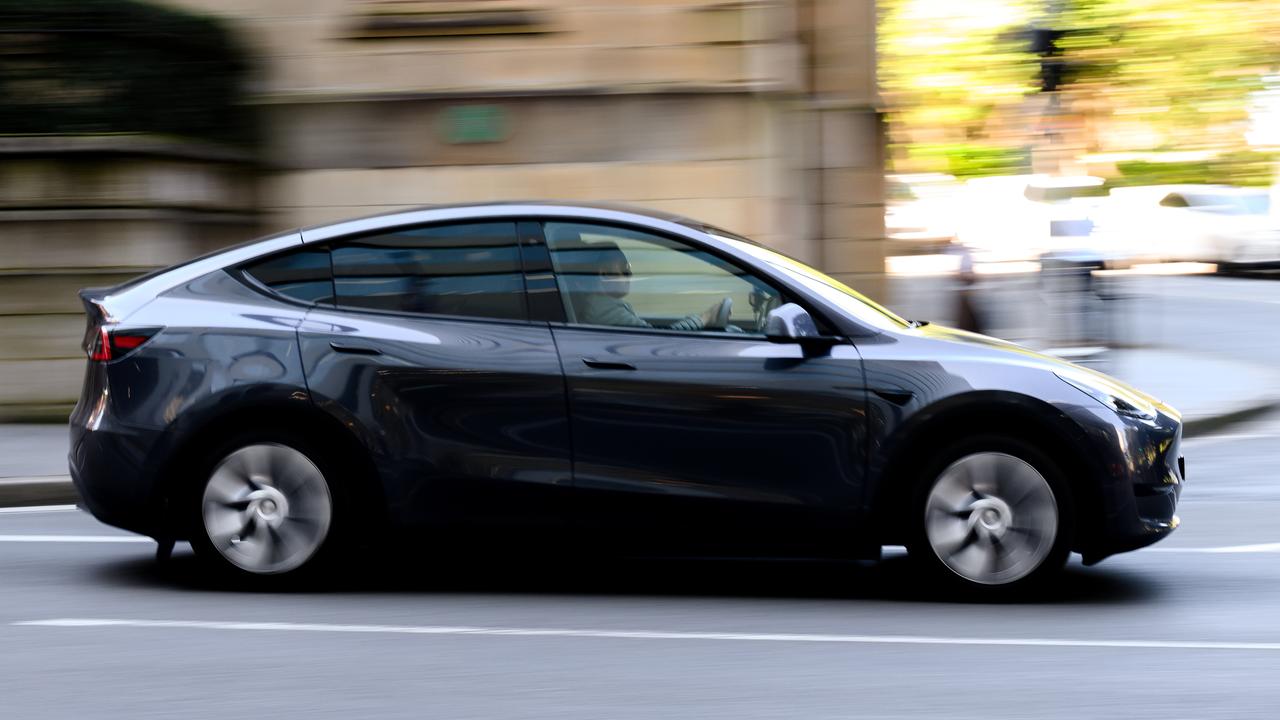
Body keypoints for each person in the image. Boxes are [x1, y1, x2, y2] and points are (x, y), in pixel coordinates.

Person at [567, 242, 729, 330]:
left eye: (629, 267)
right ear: (604, 274)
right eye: (624, 268)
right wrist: (705, 318)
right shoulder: (604, 309)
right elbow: (660, 339)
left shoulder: (598, 305)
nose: (630, 275)